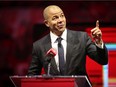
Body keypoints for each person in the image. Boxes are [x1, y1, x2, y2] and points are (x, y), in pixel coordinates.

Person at [28, 5, 108, 77]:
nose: (60, 20)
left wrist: (99, 42)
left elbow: (103, 60)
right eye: (55, 18)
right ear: (47, 23)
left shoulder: (82, 38)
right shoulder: (39, 46)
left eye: (62, 16)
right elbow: (32, 75)